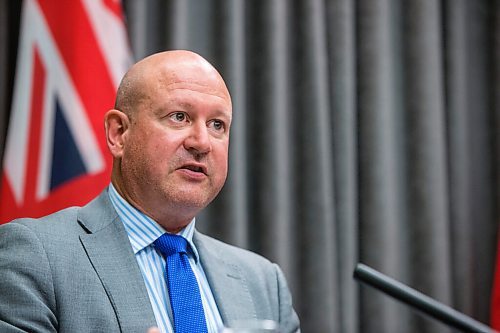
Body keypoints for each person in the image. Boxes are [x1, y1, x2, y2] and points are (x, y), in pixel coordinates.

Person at [0, 50, 300, 333]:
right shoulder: (36, 256)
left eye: (217, 124)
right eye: (179, 117)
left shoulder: (262, 281)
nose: (202, 142)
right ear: (119, 133)